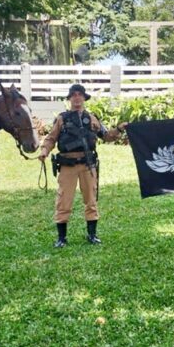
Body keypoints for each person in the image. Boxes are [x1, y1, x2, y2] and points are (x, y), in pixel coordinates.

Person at [38, 84, 125, 247]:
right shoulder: (62, 119)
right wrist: (44, 151)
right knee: (64, 200)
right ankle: (61, 238)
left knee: (91, 199)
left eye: (80, 95)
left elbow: (106, 136)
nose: (77, 98)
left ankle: (92, 235)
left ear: (84, 98)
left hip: (87, 165)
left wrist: (119, 129)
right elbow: (51, 138)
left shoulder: (92, 118)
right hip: (68, 165)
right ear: (70, 98)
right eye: (74, 95)